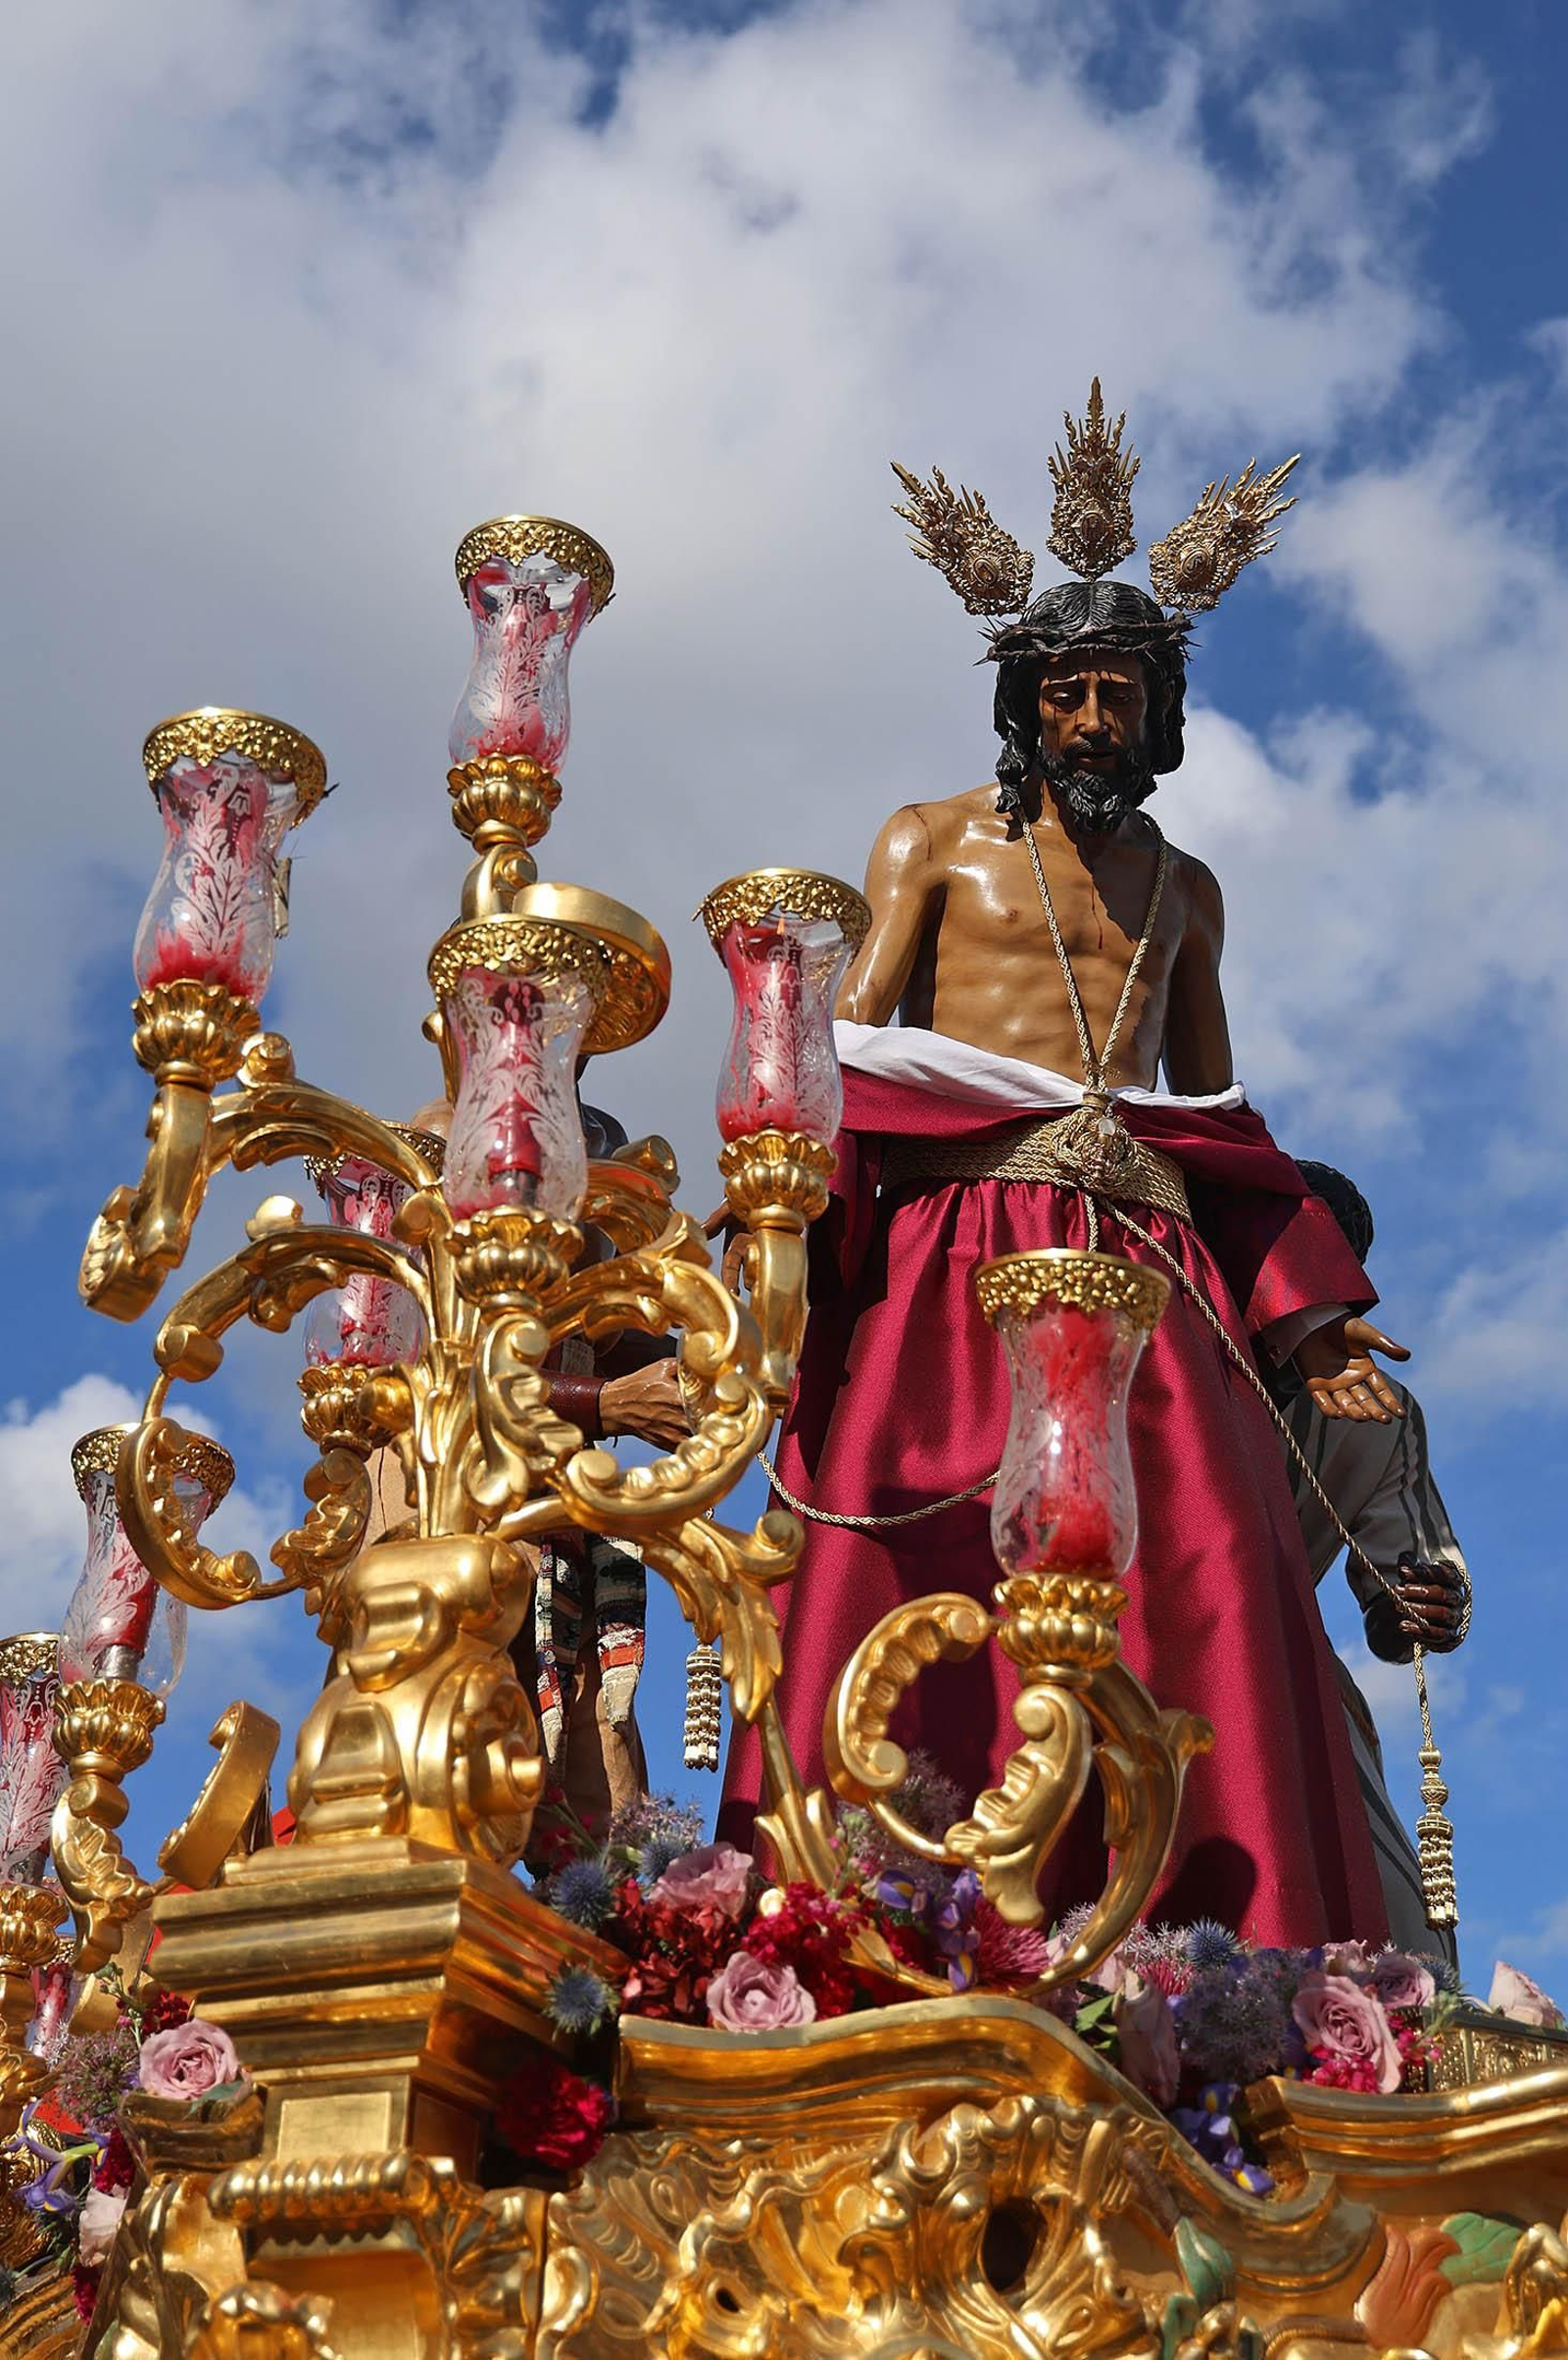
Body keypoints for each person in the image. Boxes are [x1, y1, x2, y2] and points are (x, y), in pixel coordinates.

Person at [720, 400, 1406, 1944]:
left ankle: (1219, 1952)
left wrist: (1312, 1320)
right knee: (924, 1526)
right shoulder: (932, 842)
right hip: (963, 1243)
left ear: (1160, 715)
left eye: (1122, 696)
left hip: (1150, 1266)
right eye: (1068, 693)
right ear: (1024, 704)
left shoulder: (1188, 891)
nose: (1094, 720)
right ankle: (881, 1920)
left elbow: (1217, 1116)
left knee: (1214, 1560)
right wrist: (780, 1219)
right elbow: (846, 1051)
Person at [1278, 1161, 1470, 1964]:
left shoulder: (1378, 1413)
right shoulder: (1160, 1339)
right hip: (1099, 1621)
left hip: (1284, 1671)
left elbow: (1409, 1578)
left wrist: (1426, 1605)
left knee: (1397, 1930)